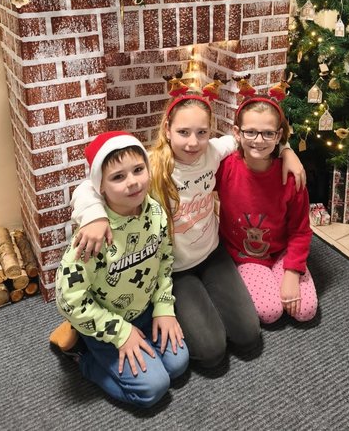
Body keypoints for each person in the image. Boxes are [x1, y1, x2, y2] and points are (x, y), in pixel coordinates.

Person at [63, 87, 306, 369]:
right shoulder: (151, 166)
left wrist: (288, 151)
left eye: (202, 132)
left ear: (210, 132)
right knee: (211, 352)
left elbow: (255, 138)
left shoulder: (213, 151)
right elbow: (88, 186)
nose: (193, 142)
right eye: (183, 132)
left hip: (213, 254)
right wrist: (94, 216)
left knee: (248, 336)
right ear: (167, 130)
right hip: (175, 268)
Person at [52, 131, 189, 408]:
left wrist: (164, 307)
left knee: (178, 365)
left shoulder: (156, 212)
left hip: (144, 310)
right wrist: (120, 333)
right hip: (106, 322)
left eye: (138, 170)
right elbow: (68, 298)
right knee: (153, 389)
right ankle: (81, 353)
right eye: (118, 177)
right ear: (100, 187)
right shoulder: (93, 237)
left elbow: (164, 260)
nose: (133, 182)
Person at [216, 96, 318, 324]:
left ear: (278, 136)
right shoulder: (225, 168)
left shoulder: (291, 176)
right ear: (237, 133)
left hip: (282, 251)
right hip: (244, 255)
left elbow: (301, 230)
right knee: (270, 312)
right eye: (250, 132)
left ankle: (284, 271)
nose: (259, 140)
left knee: (306, 310)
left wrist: (292, 272)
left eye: (268, 133)